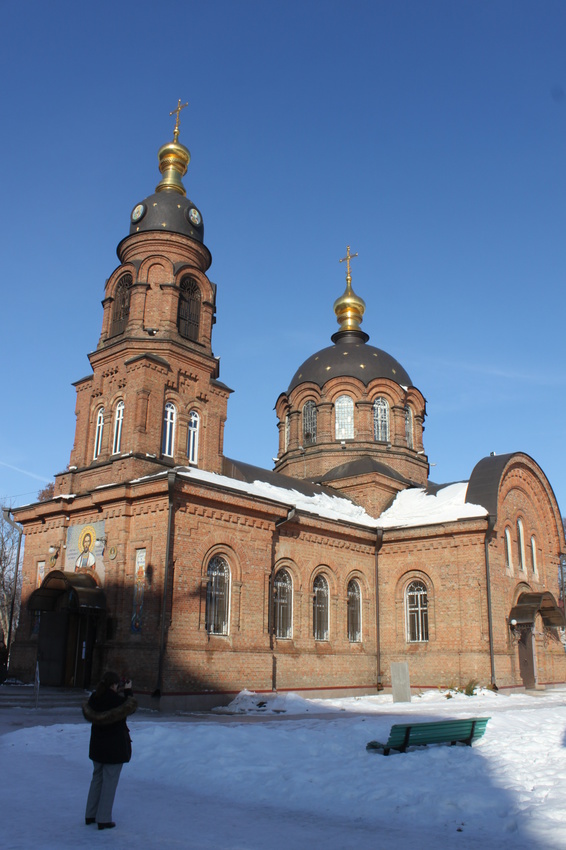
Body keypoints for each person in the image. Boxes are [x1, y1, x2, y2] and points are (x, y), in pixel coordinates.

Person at [83, 671, 137, 830]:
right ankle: (104, 818)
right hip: (113, 748)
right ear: (114, 685)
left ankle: (90, 814)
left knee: (97, 779)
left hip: (97, 747)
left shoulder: (95, 698)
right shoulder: (116, 701)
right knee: (109, 782)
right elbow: (130, 707)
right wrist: (128, 691)